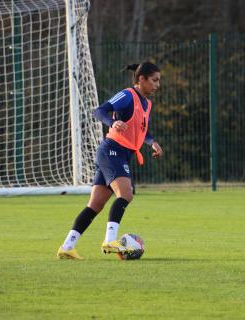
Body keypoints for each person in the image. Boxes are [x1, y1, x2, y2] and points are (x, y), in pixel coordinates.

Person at [57, 62, 164, 260]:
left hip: (122, 153)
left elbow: (142, 130)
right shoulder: (127, 95)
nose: (157, 84)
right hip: (112, 150)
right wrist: (112, 122)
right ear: (141, 80)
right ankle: (110, 240)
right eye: (154, 80)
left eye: (159, 80)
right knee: (126, 194)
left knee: (95, 205)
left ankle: (67, 246)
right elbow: (99, 111)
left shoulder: (147, 104)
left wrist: (152, 142)